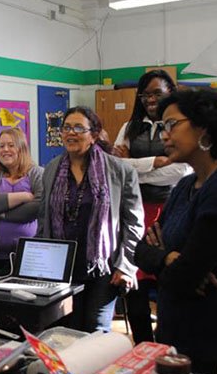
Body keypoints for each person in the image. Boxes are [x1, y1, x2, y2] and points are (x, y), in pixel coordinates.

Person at [135, 88, 217, 374]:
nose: (163, 135)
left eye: (171, 125)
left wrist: (167, 258)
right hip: (179, 338)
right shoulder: (186, 185)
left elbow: (185, 277)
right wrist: (169, 258)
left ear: (204, 126)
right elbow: (140, 250)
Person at [38, 106, 144, 333]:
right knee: (66, 330)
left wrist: (126, 265)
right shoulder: (52, 169)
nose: (70, 133)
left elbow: (134, 223)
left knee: (96, 331)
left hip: (103, 268)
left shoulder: (119, 170)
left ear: (94, 135)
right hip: (61, 269)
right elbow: (43, 218)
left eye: (78, 128)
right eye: (66, 127)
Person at [112, 69, 192, 344]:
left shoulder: (179, 127)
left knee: (167, 278)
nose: (150, 99)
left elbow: (179, 171)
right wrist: (155, 162)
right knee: (135, 284)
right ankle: (144, 345)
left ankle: (169, 344)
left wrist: (134, 164)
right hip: (134, 210)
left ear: (171, 92)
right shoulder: (129, 127)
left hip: (170, 211)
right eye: (145, 94)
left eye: (157, 93)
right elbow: (116, 166)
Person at [0, 128, 44, 270]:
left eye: (11, 145)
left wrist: (1, 213)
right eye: (1, 146)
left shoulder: (37, 173)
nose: (5, 149)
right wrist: (23, 197)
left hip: (31, 255)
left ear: (22, 148)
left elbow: (38, 207)